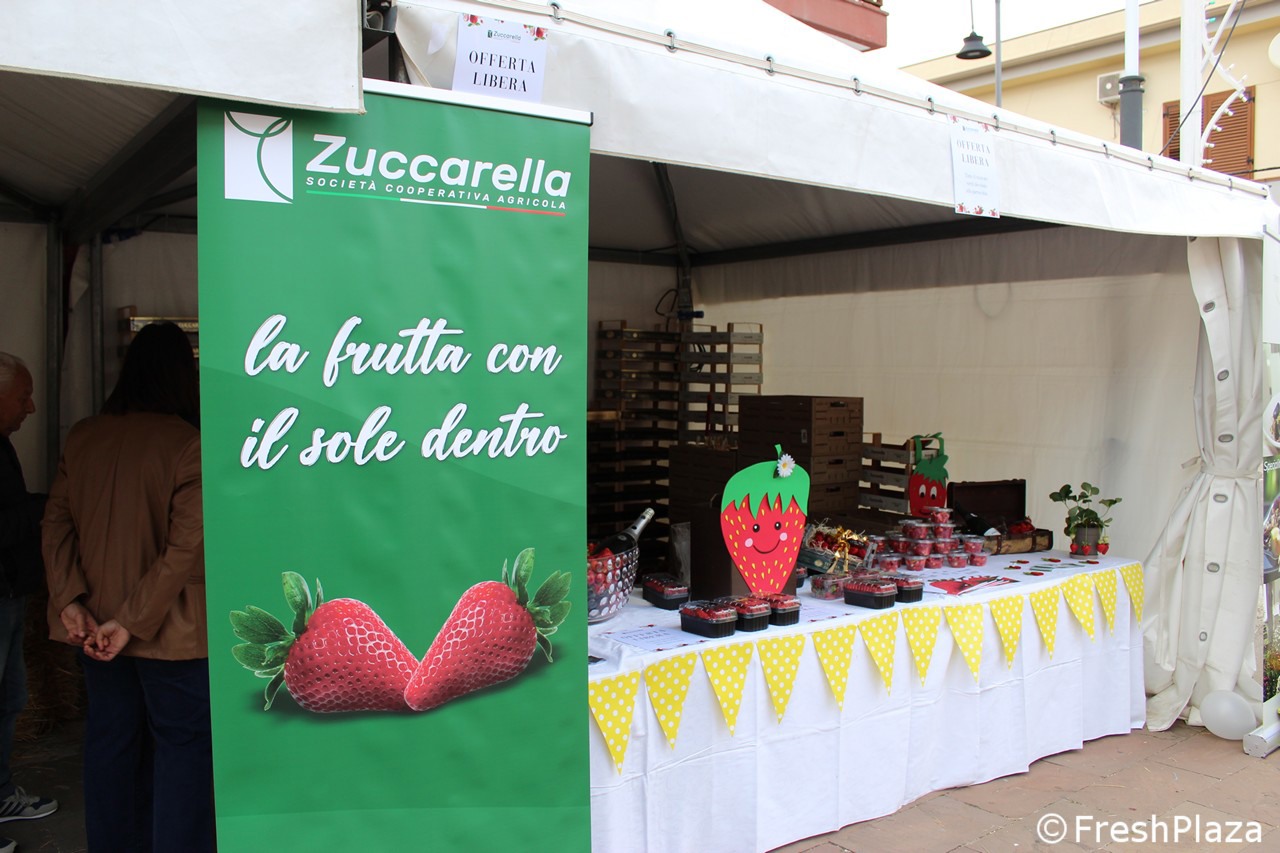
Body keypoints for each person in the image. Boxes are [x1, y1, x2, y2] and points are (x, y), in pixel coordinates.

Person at [42, 323, 212, 853]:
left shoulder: (84, 436)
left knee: (111, 743)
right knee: (182, 748)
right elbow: (185, 550)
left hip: (93, 626)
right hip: (172, 632)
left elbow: (55, 524)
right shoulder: (188, 443)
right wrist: (132, 622)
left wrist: (69, 600)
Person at [0, 353, 59, 853]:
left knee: (10, 698)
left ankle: (1, 793)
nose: (31, 407)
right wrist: (54, 507)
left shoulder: (2, 445)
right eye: (23, 397)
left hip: (10, 594)